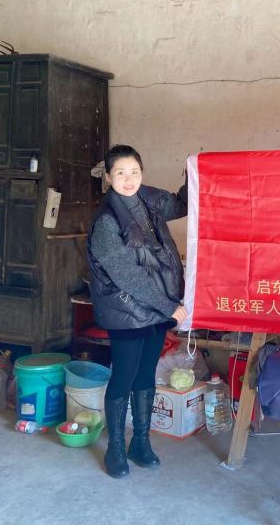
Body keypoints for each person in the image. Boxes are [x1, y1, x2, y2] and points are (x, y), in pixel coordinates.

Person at [87, 144, 189, 479]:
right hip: (127, 311)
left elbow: (182, 203)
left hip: (156, 310)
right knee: (124, 375)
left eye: (134, 172)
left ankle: (140, 443)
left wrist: (195, 174)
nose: (128, 179)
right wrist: (169, 306)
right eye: (120, 173)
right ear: (108, 177)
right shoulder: (106, 221)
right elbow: (127, 276)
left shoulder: (149, 199)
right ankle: (116, 448)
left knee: (145, 374)